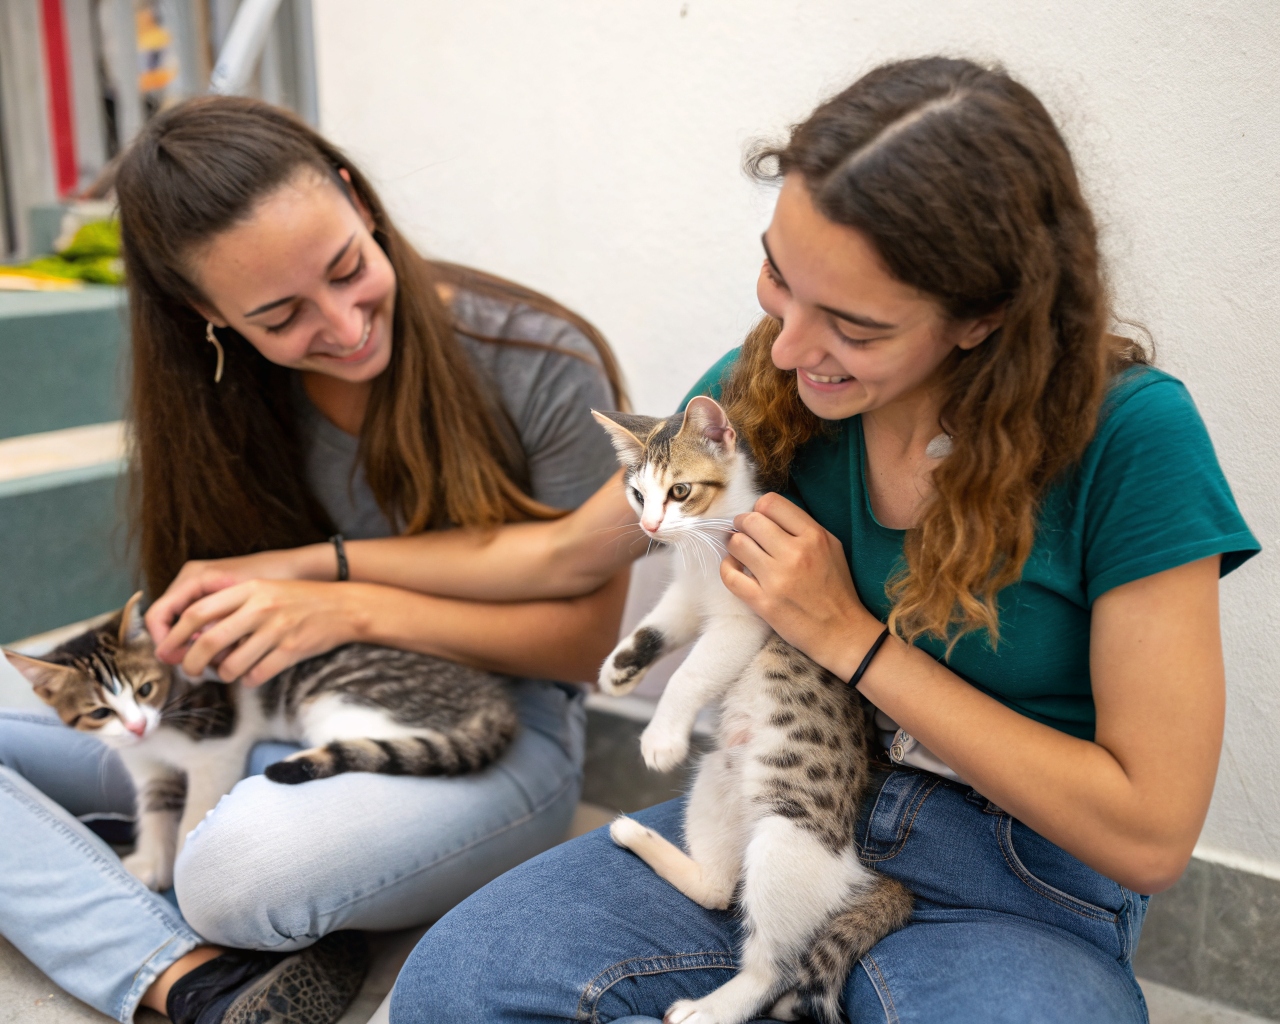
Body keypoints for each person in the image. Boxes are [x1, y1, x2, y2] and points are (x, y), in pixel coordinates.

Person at [338, 58, 1256, 1022]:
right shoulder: (773, 383)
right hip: (775, 804)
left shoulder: (1133, 438)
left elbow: (1149, 837)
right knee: (454, 988)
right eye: (780, 274)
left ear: (984, 320)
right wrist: (326, 572)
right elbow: (566, 555)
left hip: (1015, 878)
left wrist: (850, 638)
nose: (783, 348)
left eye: (853, 326)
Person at [0, 96, 632, 1024]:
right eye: (281, 314)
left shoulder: (535, 360)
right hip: (253, 714)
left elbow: (585, 648)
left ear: (356, 198)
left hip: (489, 731)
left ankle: (161, 864)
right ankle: (187, 976)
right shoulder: (211, 396)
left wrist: (343, 597)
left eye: (347, 269)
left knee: (234, 876)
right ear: (202, 312)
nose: (342, 326)